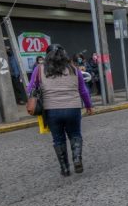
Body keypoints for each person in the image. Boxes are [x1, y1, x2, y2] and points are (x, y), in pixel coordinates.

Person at [28, 44, 94, 176]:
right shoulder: (74, 69)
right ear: (64, 54)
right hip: (73, 108)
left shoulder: (39, 69)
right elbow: (83, 90)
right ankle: (77, 160)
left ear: (47, 56)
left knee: (58, 139)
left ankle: (64, 169)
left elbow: (30, 89)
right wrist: (88, 106)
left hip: (51, 110)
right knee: (75, 134)